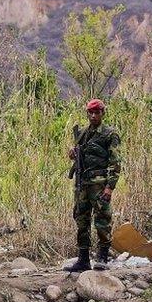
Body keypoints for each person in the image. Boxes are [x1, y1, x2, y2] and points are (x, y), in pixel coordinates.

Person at [64, 99, 121, 272]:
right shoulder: (82, 134)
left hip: (99, 183)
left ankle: (102, 256)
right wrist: (74, 154)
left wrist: (110, 186)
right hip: (83, 183)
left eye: (97, 112)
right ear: (87, 114)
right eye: (91, 113)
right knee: (81, 219)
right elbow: (80, 154)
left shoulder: (109, 134)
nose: (94, 116)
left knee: (102, 219)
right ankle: (83, 259)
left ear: (103, 113)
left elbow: (115, 162)